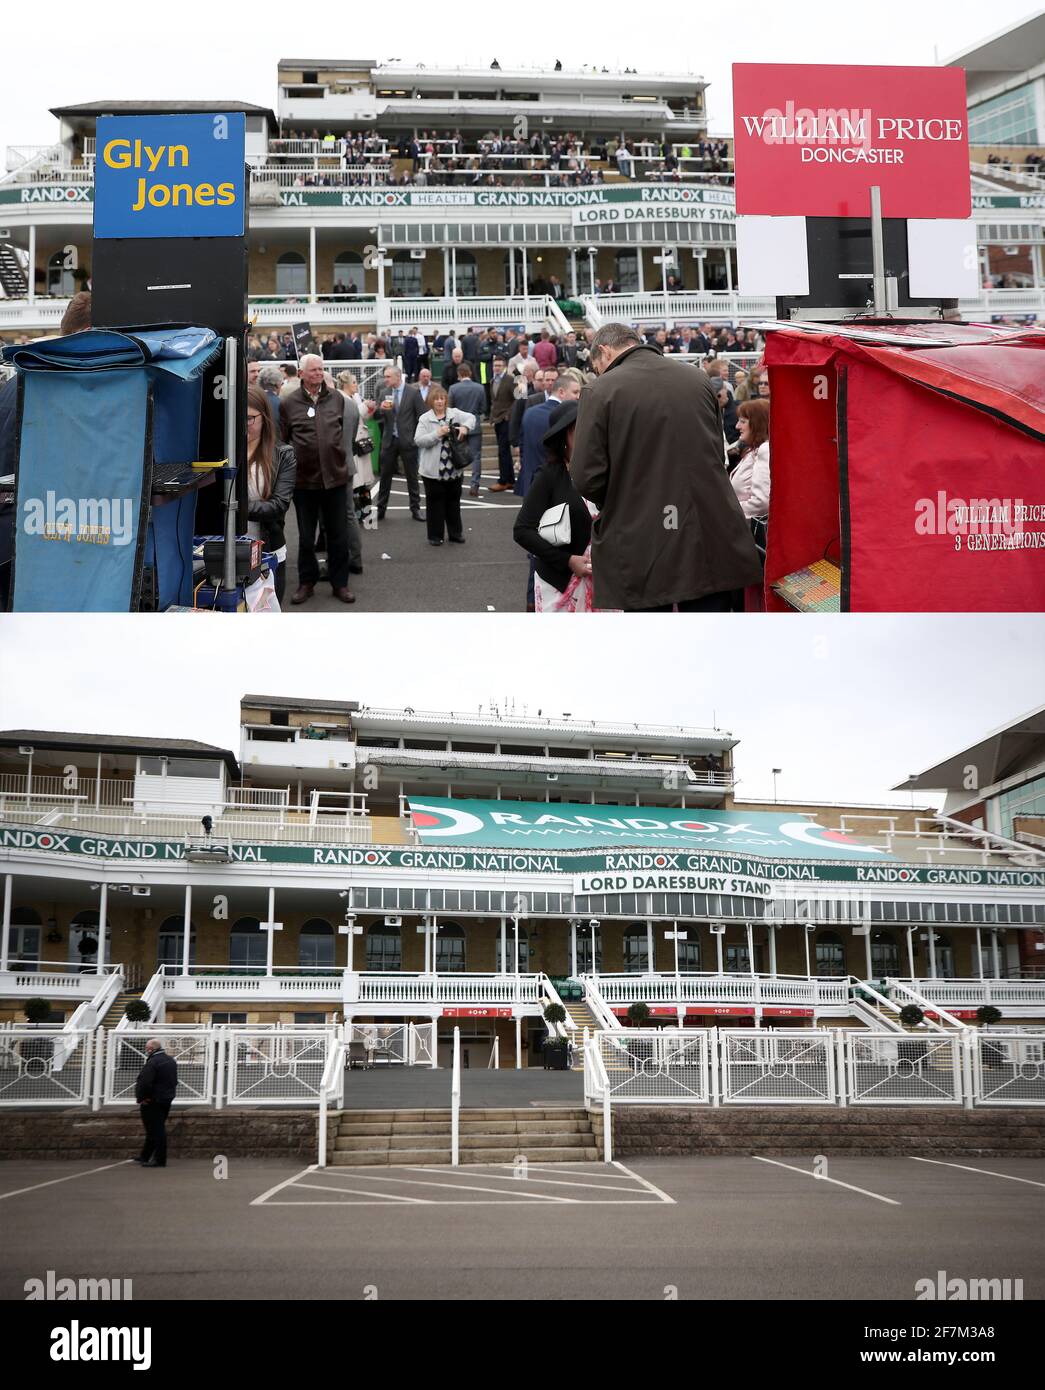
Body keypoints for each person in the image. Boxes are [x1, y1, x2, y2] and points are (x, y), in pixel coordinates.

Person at [569, 323, 761, 612]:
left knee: (653, 643)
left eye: (597, 366)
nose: (598, 372)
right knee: (712, 638)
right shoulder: (697, 378)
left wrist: (621, 498)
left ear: (604, 351)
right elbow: (714, 449)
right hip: (708, 526)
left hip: (642, 534)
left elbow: (586, 476)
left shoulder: (600, 389)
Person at [279, 353, 356, 605]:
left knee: (338, 536)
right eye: (313, 370)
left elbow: (346, 433)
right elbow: (283, 440)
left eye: (321, 369)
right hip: (304, 483)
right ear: (301, 374)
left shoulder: (337, 399)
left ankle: (340, 583)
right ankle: (306, 582)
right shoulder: (289, 403)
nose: (318, 373)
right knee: (305, 537)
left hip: (335, 479)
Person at [513, 400, 594, 612]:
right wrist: (567, 560)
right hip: (560, 585)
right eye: (580, 429)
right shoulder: (549, 476)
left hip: (605, 585)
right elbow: (522, 531)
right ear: (564, 438)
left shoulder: (605, 471)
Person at [245, 384, 296, 603]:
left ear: (264, 417)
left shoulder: (283, 454)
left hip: (268, 550)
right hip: (227, 552)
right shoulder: (223, 450)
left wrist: (235, 509)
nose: (243, 424)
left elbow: (279, 505)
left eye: (249, 418)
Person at [413, 385, 475, 546]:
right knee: (434, 505)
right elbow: (419, 440)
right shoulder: (425, 419)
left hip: (454, 470)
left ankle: (456, 533)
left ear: (446, 400)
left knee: (453, 503)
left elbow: (472, 418)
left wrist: (465, 427)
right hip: (432, 472)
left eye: (442, 398)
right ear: (431, 401)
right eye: (436, 399)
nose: (440, 401)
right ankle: (435, 536)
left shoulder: (454, 413)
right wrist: (437, 434)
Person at [374, 364, 425, 522]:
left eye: (388, 377)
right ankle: (381, 509)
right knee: (385, 476)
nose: (385, 379)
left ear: (398, 376)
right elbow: (376, 417)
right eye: (385, 376)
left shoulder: (413, 392)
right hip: (389, 440)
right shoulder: (384, 392)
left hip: (407, 440)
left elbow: (421, 416)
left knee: (412, 476)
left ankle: (415, 509)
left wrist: (415, 437)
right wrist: (380, 409)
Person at [133, 1039, 178, 1169]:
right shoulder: (170, 1060)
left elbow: (145, 1082)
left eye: (147, 1048)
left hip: (153, 1100)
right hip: (166, 1098)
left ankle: (159, 1159)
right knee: (154, 1128)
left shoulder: (153, 1062)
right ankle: (145, 1155)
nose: (146, 1050)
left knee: (155, 1129)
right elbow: (174, 1080)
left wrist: (142, 1097)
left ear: (151, 1049)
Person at [447, 363, 487, 497]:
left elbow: (450, 408)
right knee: (476, 457)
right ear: (470, 373)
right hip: (474, 424)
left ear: (459, 374)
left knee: (458, 455)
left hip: (459, 426)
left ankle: (457, 483)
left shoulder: (453, 388)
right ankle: (474, 485)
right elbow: (483, 408)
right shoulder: (480, 388)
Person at [728, 398, 770, 520]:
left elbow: (762, 503)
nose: (737, 426)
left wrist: (727, 512)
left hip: (749, 532)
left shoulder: (764, 450)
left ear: (757, 423)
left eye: (742, 421)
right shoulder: (754, 450)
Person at [488, 356, 516, 491]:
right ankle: (510, 479)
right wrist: (492, 418)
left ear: (504, 366)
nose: (497, 368)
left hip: (506, 420)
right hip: (497, 420)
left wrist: (508, 415)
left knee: (503, 451)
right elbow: (494, 402)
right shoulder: (492, 380)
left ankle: (503, 481)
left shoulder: (510, 379)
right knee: (503, 451)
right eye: (495, 365)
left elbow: (519, 399)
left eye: (499, 365)